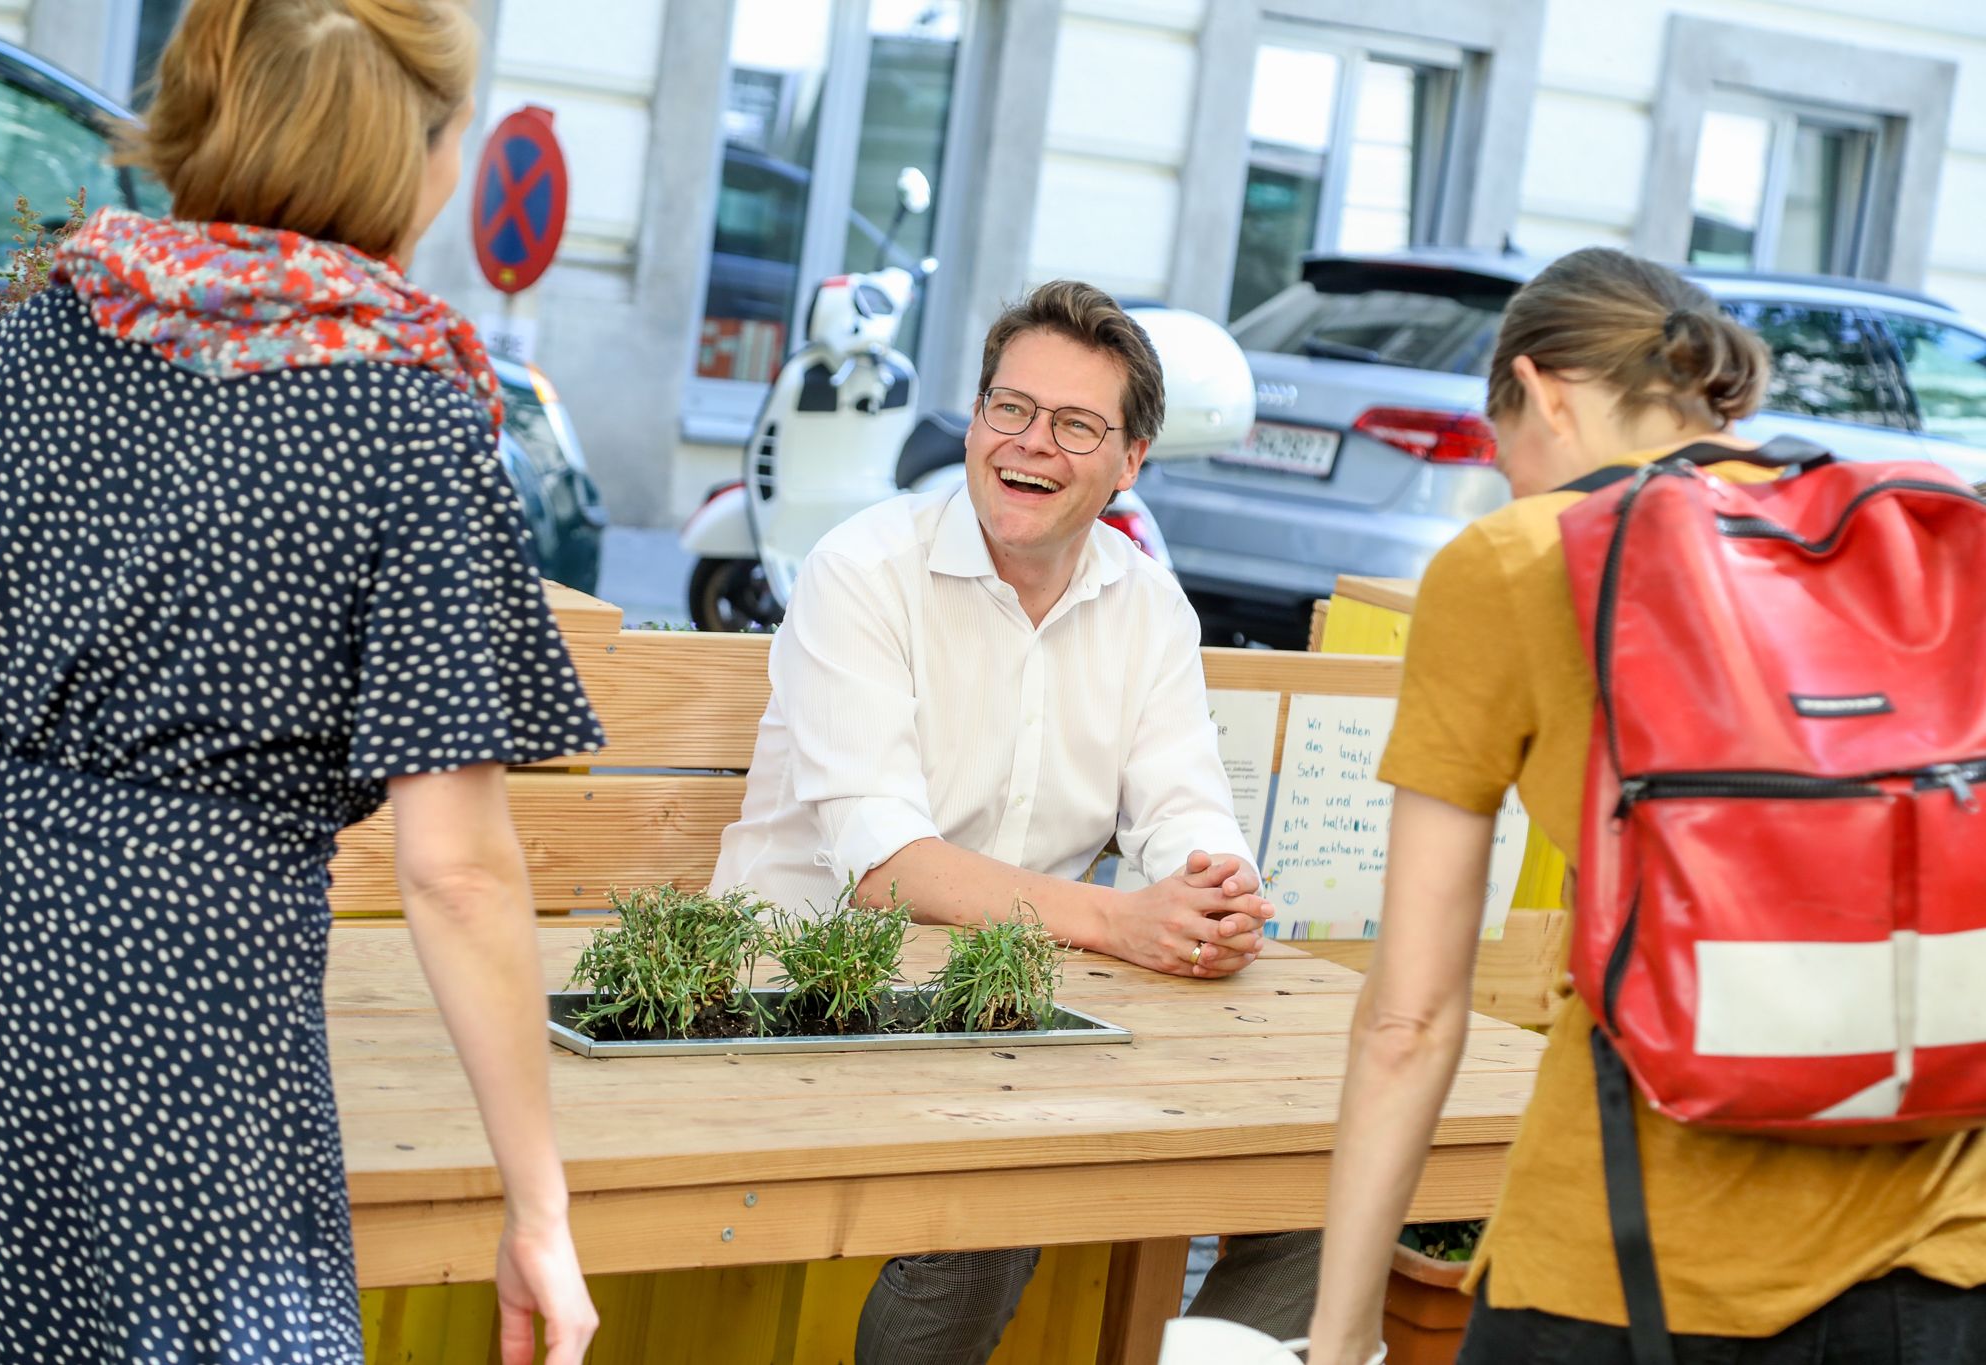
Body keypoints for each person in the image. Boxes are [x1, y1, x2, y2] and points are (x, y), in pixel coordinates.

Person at [0, 2, 602, 1361]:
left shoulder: (48, 332)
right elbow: (458, 870)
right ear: (411, 150)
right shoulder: (404, 404)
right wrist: (539, 1206)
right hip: (182, 1006)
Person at [1303, 248, 1986, 1365]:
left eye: (1497, 445)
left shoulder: (1519, 558)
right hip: (1941, 1262)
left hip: (1633, 1265)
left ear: (1543, 392)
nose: (1508, 478)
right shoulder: (1905, 539)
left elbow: (1408, 1018)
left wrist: (1336, 1339)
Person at [711, 279, 1320, 1365]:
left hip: (1018, 996)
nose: (1027, 444)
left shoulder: (1146, 605)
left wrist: (1209, 894)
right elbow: (883, 869)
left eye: (1076, 424)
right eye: (1009, 408)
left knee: (1328, 1166)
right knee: (993, 1185)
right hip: (801, 987)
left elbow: (1183, 807)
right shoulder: (863, 569)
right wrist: (1122, 922)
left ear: (1131, 459)